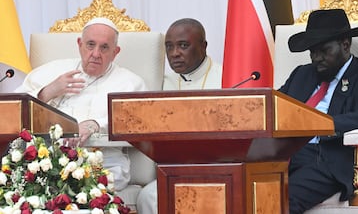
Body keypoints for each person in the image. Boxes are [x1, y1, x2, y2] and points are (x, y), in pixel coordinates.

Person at [15, 17, 147, 191]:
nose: (96, 54)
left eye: (104, 47)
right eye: (90, 45)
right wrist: (47, 92)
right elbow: (13, 107)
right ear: (79, 44)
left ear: (116, 52)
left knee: (80, 192)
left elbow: (138, 119)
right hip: (47, 162)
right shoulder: (51, 71)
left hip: (104, 162)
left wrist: (95, 124)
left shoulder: (131, 83)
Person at [278, 9, 358, 213]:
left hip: (332, 159)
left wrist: (318, 123)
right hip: (286, 156)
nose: (316, 58)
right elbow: (277, 107)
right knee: (243, 187)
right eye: (312, 51)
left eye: (323, 50)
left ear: (345, 45)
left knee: (279, 199)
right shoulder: (302, 74)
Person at [136, 18, 222, 214]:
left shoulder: (227, 79)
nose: (175, 54)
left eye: (183, 45)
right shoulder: (160, 84)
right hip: (174, 171)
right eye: (169, 47)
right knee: (149, 196)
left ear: (204, 46)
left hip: (218, 171)